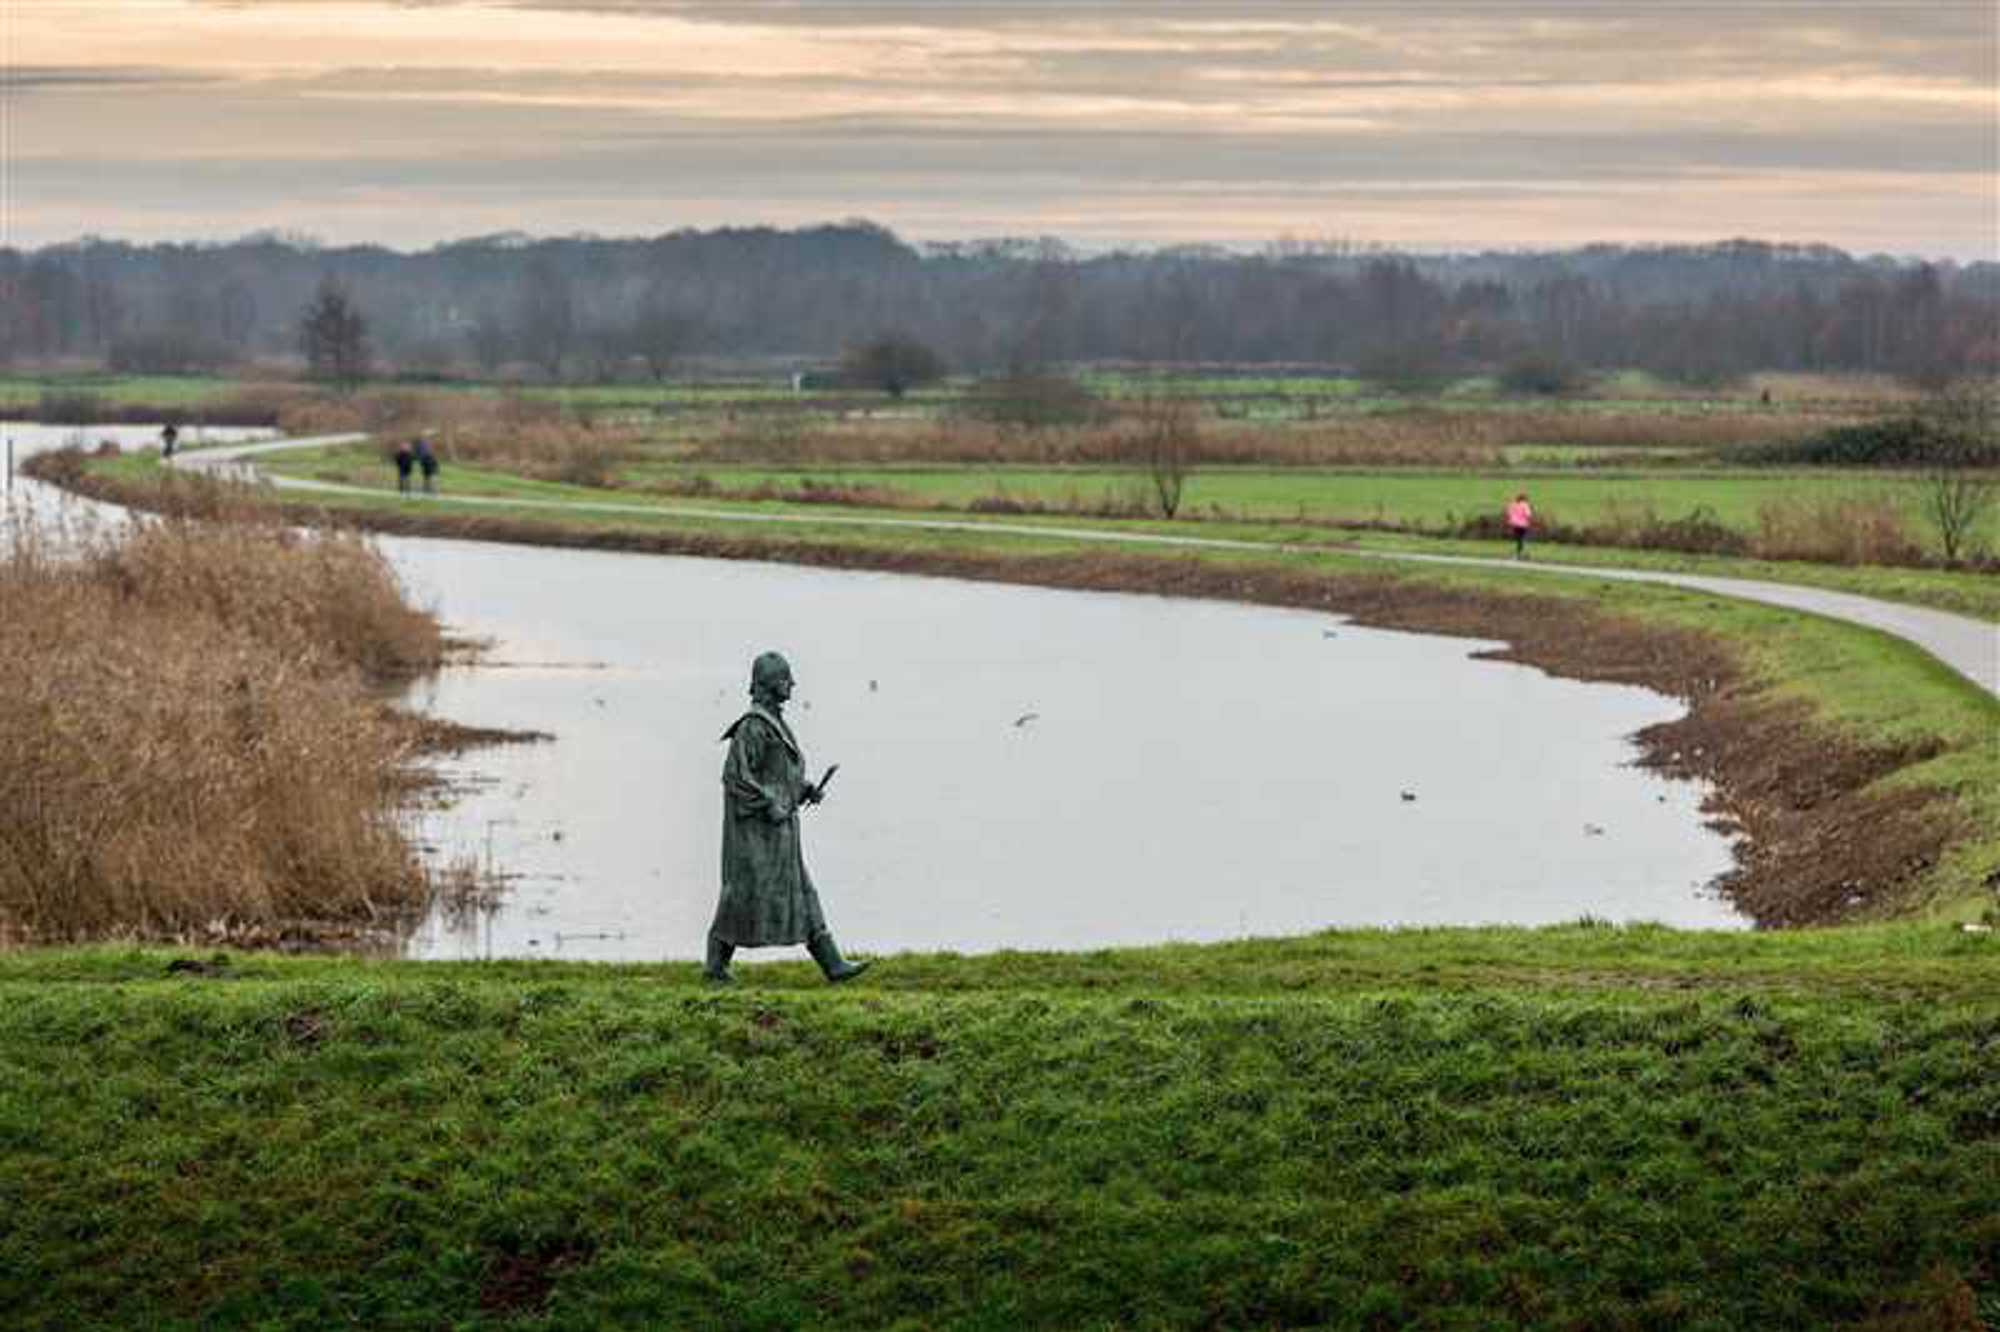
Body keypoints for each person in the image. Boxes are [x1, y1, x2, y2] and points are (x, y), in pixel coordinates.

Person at [705, 651, 872, 985]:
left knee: (803, 893)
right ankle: (715, 966)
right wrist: (770, 804)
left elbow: (778, 775)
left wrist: (804, 789)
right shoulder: (753, 727)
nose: (792, 684)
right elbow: (736, 778)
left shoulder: (774, 722)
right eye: (785, 679)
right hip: (755, 837)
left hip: (779, 835)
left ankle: (833, 964)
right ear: (768, 683)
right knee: (742, 896)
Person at [1506, 491, 1533, 559]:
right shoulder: (1525, 505)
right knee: (1523, 539)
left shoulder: (1513, 504)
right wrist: (1530, 521)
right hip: (1523, 524)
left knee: (1518, 539)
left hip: (1514, 524)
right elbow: (1528, 514)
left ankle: (1519, 553)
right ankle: (1522, 554)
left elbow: (1509, 513)